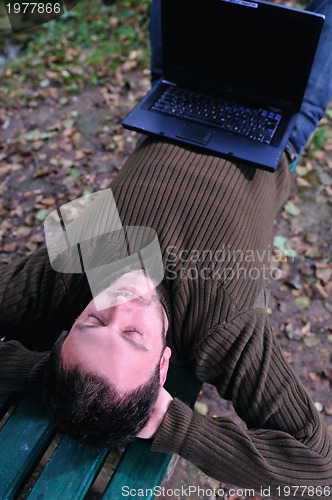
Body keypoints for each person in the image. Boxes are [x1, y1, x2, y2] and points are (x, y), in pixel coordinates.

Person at [1, 0, 332, 498]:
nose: (118, 303)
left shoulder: (70, 272)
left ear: (67, 331)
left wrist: (41, 373)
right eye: (134, 333)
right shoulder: (223, 327)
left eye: (92, 323)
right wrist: (175, 425)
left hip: (180, 92)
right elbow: (315, 461)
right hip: (278, 121)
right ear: (163, 366)